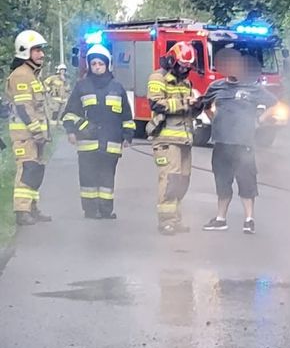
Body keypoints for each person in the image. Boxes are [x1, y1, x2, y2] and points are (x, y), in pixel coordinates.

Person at [197, 48, 277, 235]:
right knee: (222, 182)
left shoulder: (253, 87)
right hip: (222, 143)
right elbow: (205, 105)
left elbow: (275, 104)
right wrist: (214, 118)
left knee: (247, 182)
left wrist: (259, 120)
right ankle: (220, 219)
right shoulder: (216, 87)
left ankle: (249, 220)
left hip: (244, 144)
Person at [61, 43, 133, 219]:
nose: (97, 67)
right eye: (94, 64)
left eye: (100, 64)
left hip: (111, 144)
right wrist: (73, 130)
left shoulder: (117, 87)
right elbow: (69, 113)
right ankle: (91, 210)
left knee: (107, 178)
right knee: (88, 178)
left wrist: (128, 135)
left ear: (107, 64)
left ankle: (106, 210)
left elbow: (126, 115)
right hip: (87, 143)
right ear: (89, 66)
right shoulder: (82, 86)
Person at [147, 41, 198, 236]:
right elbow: (157, 105)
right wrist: (186, 102)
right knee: (170, 180)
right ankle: (166, 221)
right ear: (171, 60)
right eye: (181, 66)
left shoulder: (186, 82)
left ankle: (176, 219)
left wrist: (198, 106)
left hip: (184, 140)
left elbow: (187, 111)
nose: (185, 70)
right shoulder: (157, 78)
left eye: (188, 67)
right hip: (166, 140)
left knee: (183, 181)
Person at [5, 30, 52, 225]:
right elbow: (24, 108)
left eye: (41, 50)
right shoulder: (21, 76)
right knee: (26, 169)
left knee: (35, 171)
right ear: (25, 51)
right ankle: (21, 211)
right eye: (36, 50)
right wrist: (36, 131)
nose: (41, 54)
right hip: (25, 134)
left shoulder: (32, 75)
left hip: (35, 135)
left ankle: (32, 207)